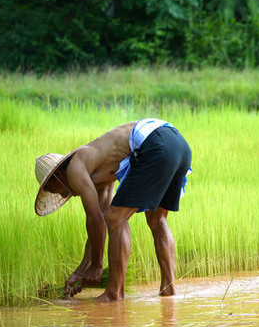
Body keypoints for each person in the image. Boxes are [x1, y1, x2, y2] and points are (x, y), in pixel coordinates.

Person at [34, 118, 192, 301]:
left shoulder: (74, 168)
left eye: (56, 190)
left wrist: (97, 265)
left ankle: (114, 293)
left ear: (57, 176)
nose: (62, 196)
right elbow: (99, 223)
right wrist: (81, 271)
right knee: (156, 220)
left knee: (116, 219)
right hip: (178, 144)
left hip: (155, 143)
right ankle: (168, 290)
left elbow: (96, 220)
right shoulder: (99, 170)